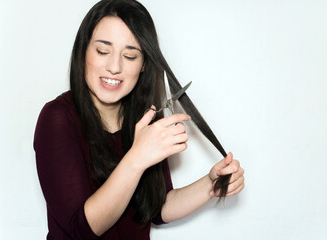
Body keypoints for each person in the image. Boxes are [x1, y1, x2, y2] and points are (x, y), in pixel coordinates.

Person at [34, 0, 245, 239]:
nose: (114, 66)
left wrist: (209, 184)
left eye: (130, 56)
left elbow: (157, 208)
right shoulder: (58, 119)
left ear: (144, 64)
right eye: (102, 51)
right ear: (83, 51)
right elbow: (80, 229)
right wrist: (137, 157)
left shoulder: (146, 118)